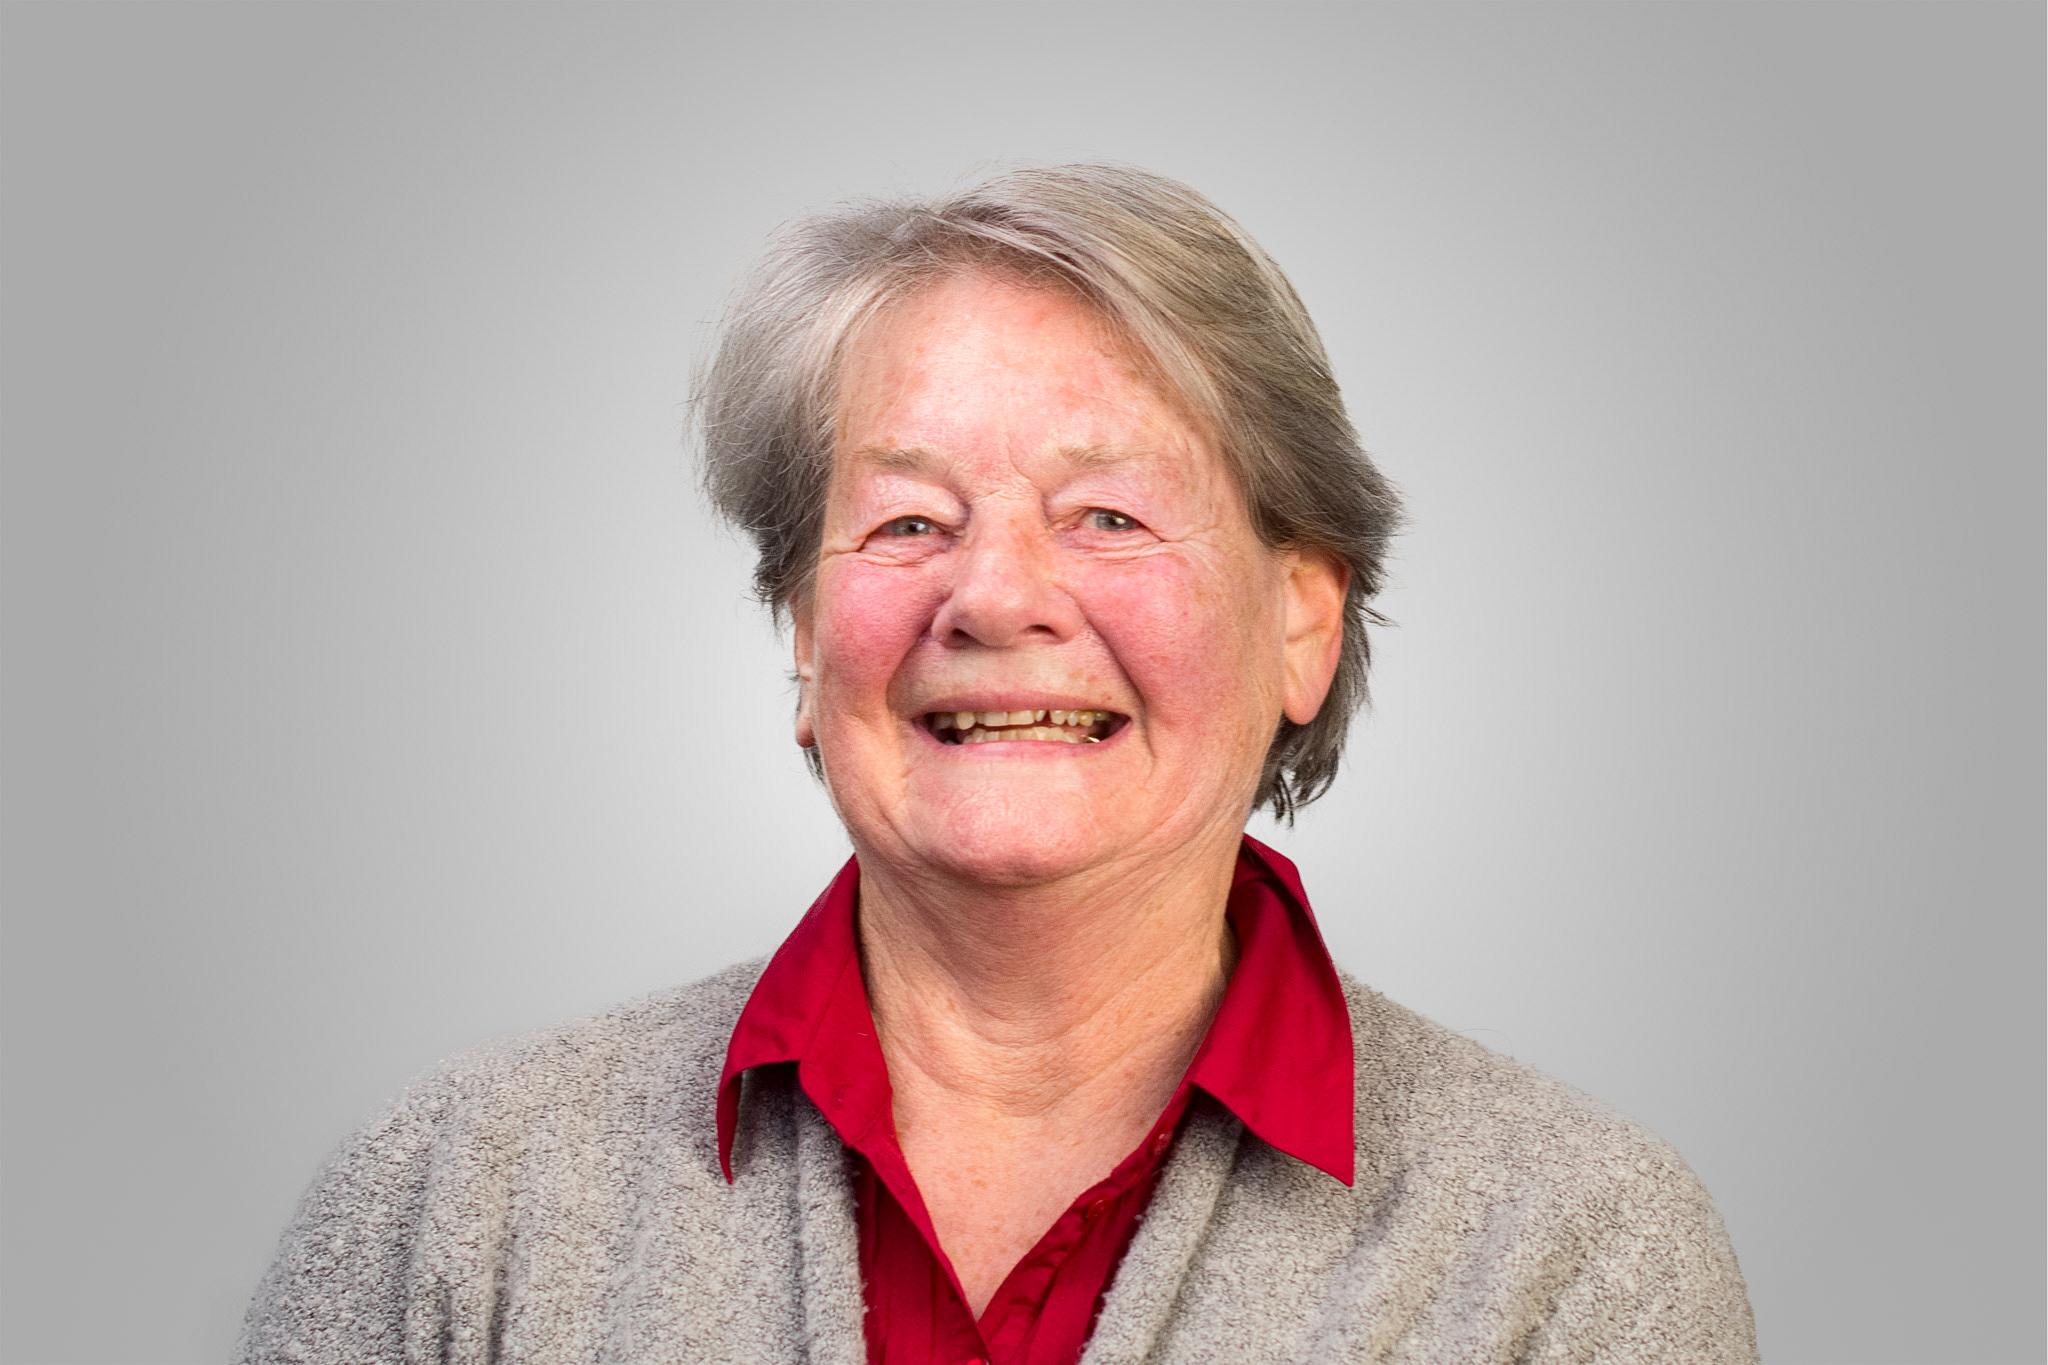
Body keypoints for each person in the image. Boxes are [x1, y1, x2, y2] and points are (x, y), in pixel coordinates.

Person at [239, 164, 1757, 1364]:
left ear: (1302, 620)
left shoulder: (1577, 1253)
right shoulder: (458, 1202)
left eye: (1109, 516)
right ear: (803, 634)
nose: (996, 596)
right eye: (908, 520)